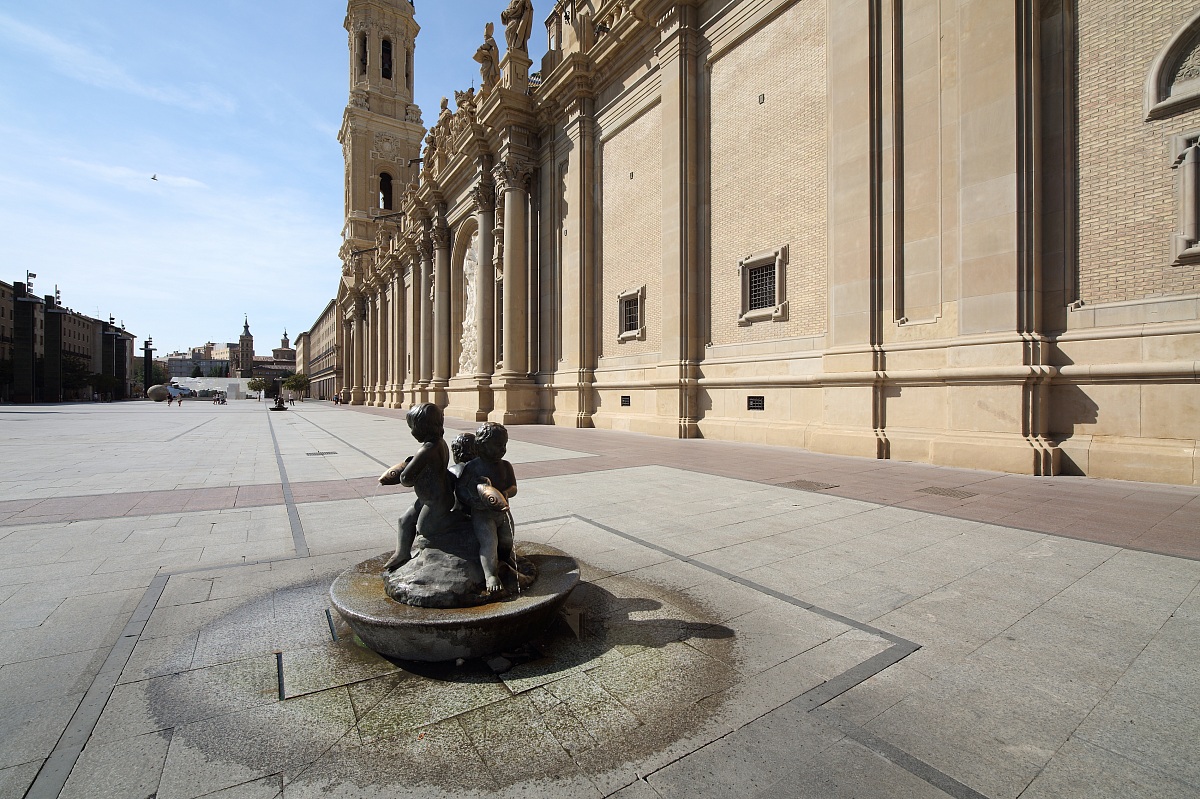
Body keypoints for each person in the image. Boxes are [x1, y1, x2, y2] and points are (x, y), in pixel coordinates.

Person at [381, 403, 453, 573]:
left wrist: (404, 469)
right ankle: (402, 553)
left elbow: (406, 479)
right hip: (428, 498)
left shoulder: (427, 449)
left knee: (424, 528)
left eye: (412, 427)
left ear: (421, 427)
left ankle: (460, 523)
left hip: (436, 500)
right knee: (404, 520)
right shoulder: (440, 443)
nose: (412, 432)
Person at [455, 422, 517, 593]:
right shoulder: (473, 467)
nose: (502, 449)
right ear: (481, 446)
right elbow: (460, 488)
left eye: (504, 445)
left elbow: (514, 487)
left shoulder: (506, 466)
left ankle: (504, 559)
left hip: (502, 512)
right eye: (497, 446)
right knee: (489, 542)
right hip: (482, 514)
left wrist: (506, 492)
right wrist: (471, 500)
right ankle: (490, 574)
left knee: (507, 538)